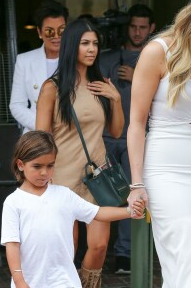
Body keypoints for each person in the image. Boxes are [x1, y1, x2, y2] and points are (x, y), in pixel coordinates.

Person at [127, 0, 191, 288]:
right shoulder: (157, 52)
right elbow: (136, 122)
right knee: (186, 260)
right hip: (165, 169)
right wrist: (136, 183)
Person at [36, 19, 130, 287]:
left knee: (99, 246)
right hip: (63, 177)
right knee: (69, 247)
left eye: (95, 44)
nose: (92, 49)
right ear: (71, 46)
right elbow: (41, 139)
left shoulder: (99, 85)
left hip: (98, 177)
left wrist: (115, 99)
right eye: (85, 43)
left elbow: (115, 131)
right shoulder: (52, 88)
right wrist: (43, 178)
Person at [1, 130, 145, 288]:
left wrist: (130, 211)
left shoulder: (64, 195)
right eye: (37, 166)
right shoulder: (13, 202)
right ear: (20, 165)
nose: (44, 172)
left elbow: (98, 213)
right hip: (29, 283)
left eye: (50, 166)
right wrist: (19, 280)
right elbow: (12, 245)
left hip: (65, 281)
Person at [100, 4, 155, 275]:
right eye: (133, 26)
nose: (137, 31)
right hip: (107, 137)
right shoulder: (108, 58)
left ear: (152, 28)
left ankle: (126, 256)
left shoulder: (156, 57)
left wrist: (137, 79)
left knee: (133, 196)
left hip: (139, 138)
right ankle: (96, 254)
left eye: (143, 27)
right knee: (102, 196)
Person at [9, 0, 69, 134]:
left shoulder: (76, 60)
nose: (56, 37)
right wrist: (43, 125)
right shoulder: (24, 60)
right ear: (39, 32)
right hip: (37, 134)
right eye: (49, 31)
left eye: (61, 31)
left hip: (70, 136)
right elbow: (17, 105)